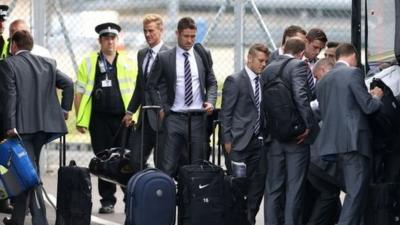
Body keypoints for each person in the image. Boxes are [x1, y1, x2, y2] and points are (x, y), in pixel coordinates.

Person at [0, 30, 73, 225]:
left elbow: (10, 97)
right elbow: (68, 84)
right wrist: (64, 110)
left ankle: (40, 220)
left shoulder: (8, 64)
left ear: (14, 44)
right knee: (27, 171)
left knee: (29, 175)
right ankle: (17, 219)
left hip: (21, 129)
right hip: (44, 129)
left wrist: (10, 125)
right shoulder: (48, 63)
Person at [314, 43, 383, 225]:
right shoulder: (353, 73)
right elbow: (368, 107)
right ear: (353, 55)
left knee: (353, 191)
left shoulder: (323, 80)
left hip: (335, 145)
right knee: (356, 193)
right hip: (354, 142)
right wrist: (376, 96)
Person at [74, 22, 137, 214]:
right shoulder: (89, 61)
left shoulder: (128, 62)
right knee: (103, 159)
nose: (110, 41)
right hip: (98, 120)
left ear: (117, 40)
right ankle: (107, 200)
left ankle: (130, 198)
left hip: (123, 120)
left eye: (113, 38)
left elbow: (136, 92)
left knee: (126, 159)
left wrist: (133, 115)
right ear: (100, 41)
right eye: (106, 38)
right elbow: (79, 92)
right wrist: (80, 119)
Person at [147, 17, 217, 177]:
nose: (190, 40)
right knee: (168, 165)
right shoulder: (165, 58)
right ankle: (166, 199)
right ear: (177, 33)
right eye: (186, 36)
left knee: (198, 165)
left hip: (198, 119)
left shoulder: (203, 54)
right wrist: (162, 107)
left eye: (193, 36)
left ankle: (194, 200)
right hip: (174, 118)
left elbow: (212, 82)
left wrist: (211, 101)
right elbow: (151, 85)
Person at [262, 37, 318, 225]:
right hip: (296, 138)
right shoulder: (298, 66)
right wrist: (309, 127)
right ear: (302, 53)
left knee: (273, 187)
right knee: (294, 187)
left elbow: (263, 105)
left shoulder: (268, 67)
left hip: (274, 136)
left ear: (284, 48)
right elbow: (301, 98)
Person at [220, 43, 269, 225]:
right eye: (260, 60)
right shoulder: (235, 80)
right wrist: (227, 141)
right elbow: (226, 113)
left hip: (258, 142)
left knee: (258, 184)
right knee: (238, 185)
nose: (263, 64)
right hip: (238, 144)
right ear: (249, 58)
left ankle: (250, 218)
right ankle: (238, 219)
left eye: (266, 61)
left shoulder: (263, 80)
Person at [122, 14, 169, 168]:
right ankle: (143, 189)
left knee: (161, 162)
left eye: (151, 31)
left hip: (163, 119)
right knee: (135, 160)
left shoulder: (170, 55)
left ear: (161, 30)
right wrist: (130, 111)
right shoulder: (142, 54)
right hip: (145, 118)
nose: (147, 35)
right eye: (145, 31)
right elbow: (140, 86)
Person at [304, 57, 343, 225]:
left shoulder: (330, 90)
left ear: (323, 71)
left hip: (317, 160)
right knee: (332, 193)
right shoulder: (335, 90)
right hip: (322, 163)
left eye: (317, 77)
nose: (317, 82)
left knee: (329, 194)